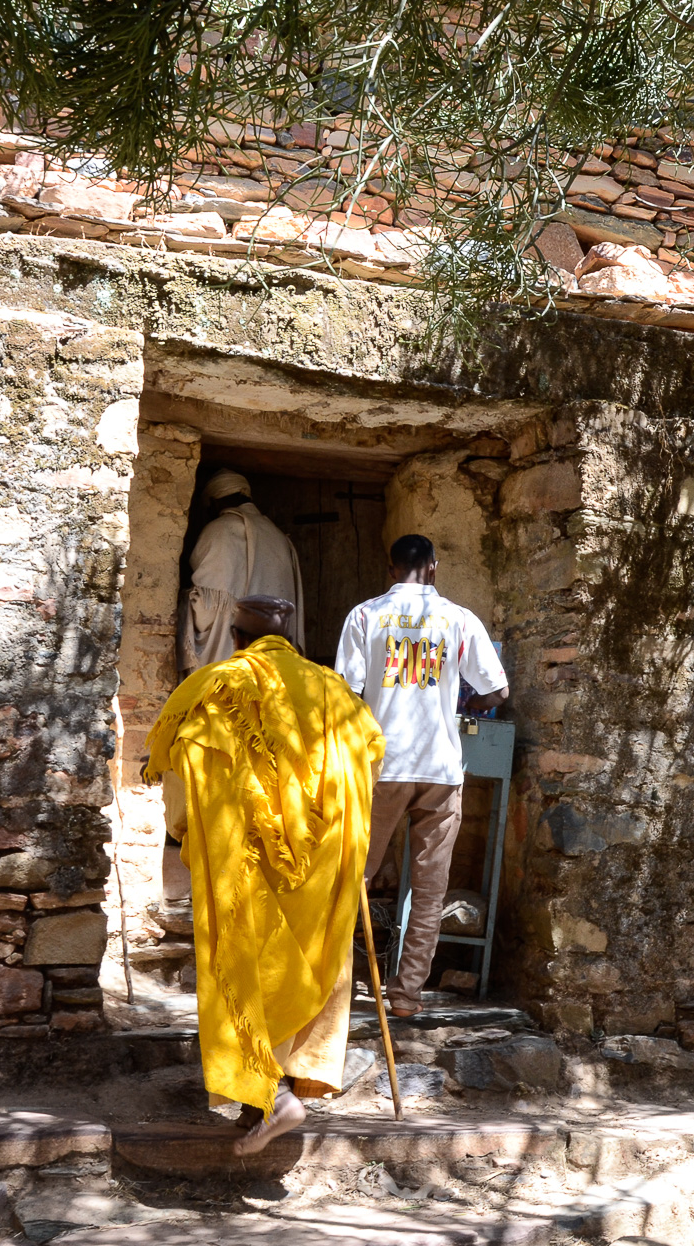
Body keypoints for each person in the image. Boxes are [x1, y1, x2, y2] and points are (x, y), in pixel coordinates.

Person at [146, 595, 384, 1154]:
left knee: (248, 966)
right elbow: (370, 762)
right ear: (292, 637)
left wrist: (185, 831)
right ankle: (263, 1100)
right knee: (302, 968)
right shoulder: (335, 693)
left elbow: (183, 763)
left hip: (245, 860)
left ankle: (274, 1098)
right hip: (325, 863)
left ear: (234, 637)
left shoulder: (216, 686)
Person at [336, 534, 509, 1017]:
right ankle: (407, 995)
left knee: (353, 880)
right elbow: (497, 690)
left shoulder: (365, 616)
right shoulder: (458, 618)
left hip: (380, 768)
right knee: (430, 890)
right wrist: (465, 702)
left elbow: (345, 695)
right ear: (433, 566)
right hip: (440, 770)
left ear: (391, 568)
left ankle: (338, 987)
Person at [179, 470, 307, 672]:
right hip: (274, 656)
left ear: (214, 501)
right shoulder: (279, 536)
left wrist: (184, 599)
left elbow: (208, 607)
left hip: (230, 655)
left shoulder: (218, 529)